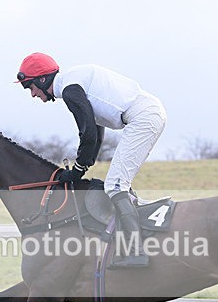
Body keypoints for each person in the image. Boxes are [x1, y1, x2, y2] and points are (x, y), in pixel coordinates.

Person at [16, 52, 167, 268]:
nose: (32, 94)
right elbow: (95, 133)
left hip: (143, 117)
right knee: (117, 184)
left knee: (115, 186)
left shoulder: (70, 89)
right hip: (147, 114)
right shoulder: (72, 82)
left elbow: (88, 135)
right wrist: (83, 166)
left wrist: (77, 170)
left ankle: (137, 253)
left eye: (30, 87)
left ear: (42, 79)